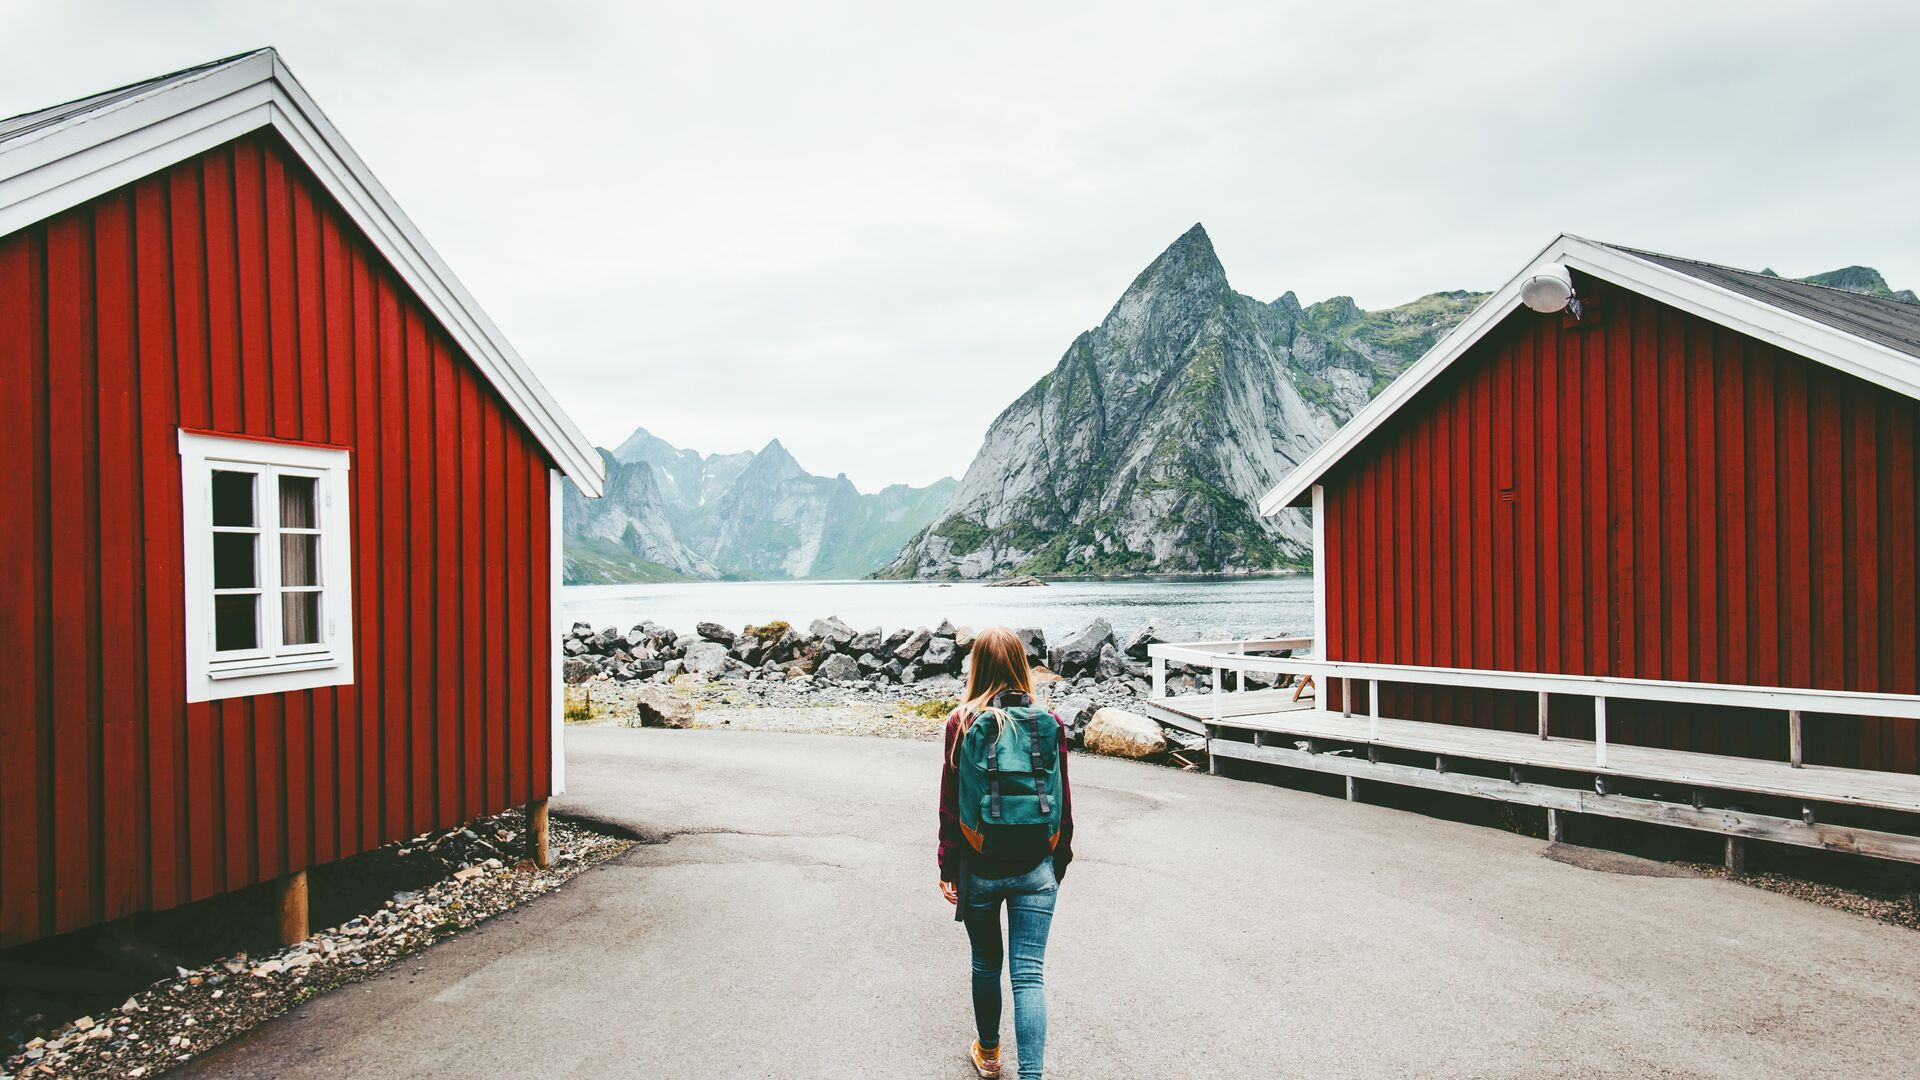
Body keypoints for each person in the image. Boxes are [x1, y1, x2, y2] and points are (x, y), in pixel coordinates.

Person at [938, 627, 1074, 1080]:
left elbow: (951, 804)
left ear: (977, 666)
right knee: (1029, 975)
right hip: (1036, 866)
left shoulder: (962, 722)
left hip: (980, 866)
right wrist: (1056, 863)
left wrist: (948, 865)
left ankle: (990, 1055)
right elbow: (1063, 801)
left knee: (986, 963)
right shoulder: (1049, 721)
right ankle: (1031, 1076)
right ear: (1021, 666)